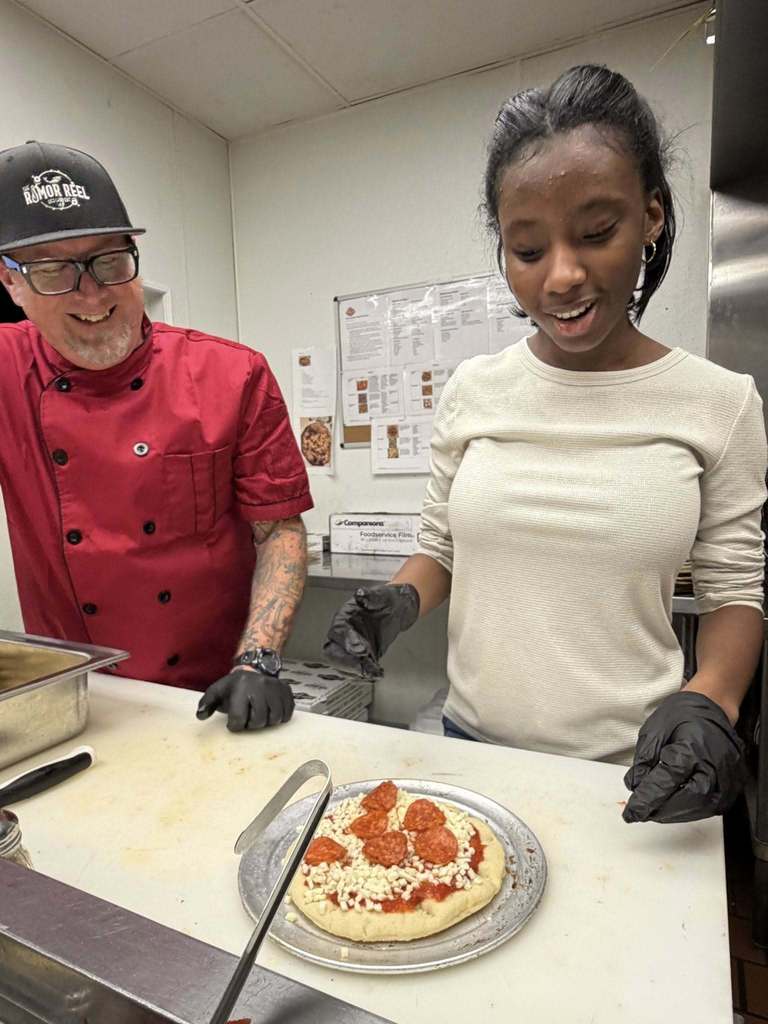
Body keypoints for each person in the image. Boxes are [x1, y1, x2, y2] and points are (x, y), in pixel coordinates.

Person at [325, 65, 767, 824]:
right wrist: (401, 598)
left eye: (597, 233)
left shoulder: (719, 403)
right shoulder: (474, 389)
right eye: (528, 250)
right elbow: (441, 545)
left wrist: (712, 700)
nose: (563, 275)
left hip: (632, 775)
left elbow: (735, 592)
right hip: (471, 750)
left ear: (652, 214)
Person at [0, 140, 312, 732]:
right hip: (77, 703)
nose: (91, 294)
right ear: (11, 284)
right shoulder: (6, 372)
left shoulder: (232, 373)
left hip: (214, 694)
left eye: (109, 261)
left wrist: (259, 659)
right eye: (53, 271)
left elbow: (280, 530)